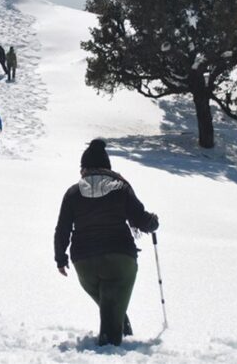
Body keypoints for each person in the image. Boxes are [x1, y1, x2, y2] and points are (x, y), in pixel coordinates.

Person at [53, 139, 159, 347]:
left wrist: (60, 258)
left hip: (84, 262)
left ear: (85, 168)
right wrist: (153, 222)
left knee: (107, 299)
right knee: (113, 294)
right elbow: (139, 219)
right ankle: (110, 345)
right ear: (107, 167)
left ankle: (120, 327)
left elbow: (62, 229)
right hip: (120, 259)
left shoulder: (73, 193)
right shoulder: (121, 188)